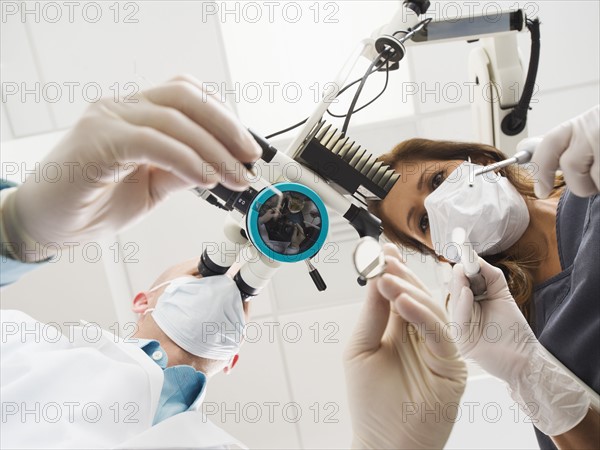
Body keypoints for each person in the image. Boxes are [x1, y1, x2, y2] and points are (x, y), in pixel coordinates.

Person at [364, 105, 600, 449]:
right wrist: (528, 374)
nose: (440, 203)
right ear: (443, 254)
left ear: (480, 160)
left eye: (436, 180)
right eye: (424, 223)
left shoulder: (591, 180)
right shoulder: (523, 337)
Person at [1, 257, 248, 449]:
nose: (220, 287)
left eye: (242, 297)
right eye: (202, 273)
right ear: (143, 302)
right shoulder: (19, 339)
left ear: (232, 360)